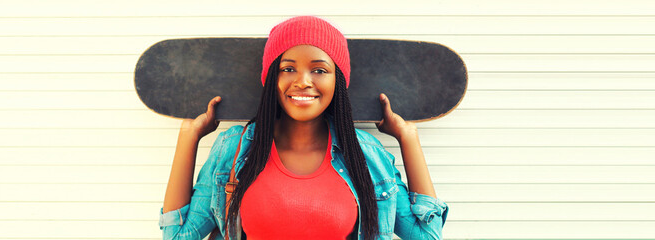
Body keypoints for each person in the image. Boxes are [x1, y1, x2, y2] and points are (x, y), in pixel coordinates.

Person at [159, 16, 448, 240]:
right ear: (272, 77)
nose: (303, 81)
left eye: (319, 70)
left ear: (338, 81)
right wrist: (189, 137)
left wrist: (408, 138)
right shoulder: (234, 149)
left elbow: (426, 235)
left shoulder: (367, 156)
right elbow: (177, 235)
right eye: (288, 68)